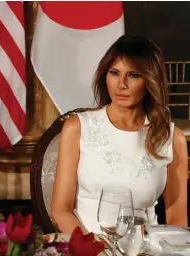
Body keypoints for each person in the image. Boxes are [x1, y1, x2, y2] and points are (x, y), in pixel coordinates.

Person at [51, 35, 188, 234]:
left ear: (150, 81)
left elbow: (177, 219)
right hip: (86, 248)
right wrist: (91, 249)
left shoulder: (171, 138)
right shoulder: (78, 127)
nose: (121, 84)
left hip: (143, 253)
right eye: (114, 73)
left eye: (133, 75)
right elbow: (61, 211)